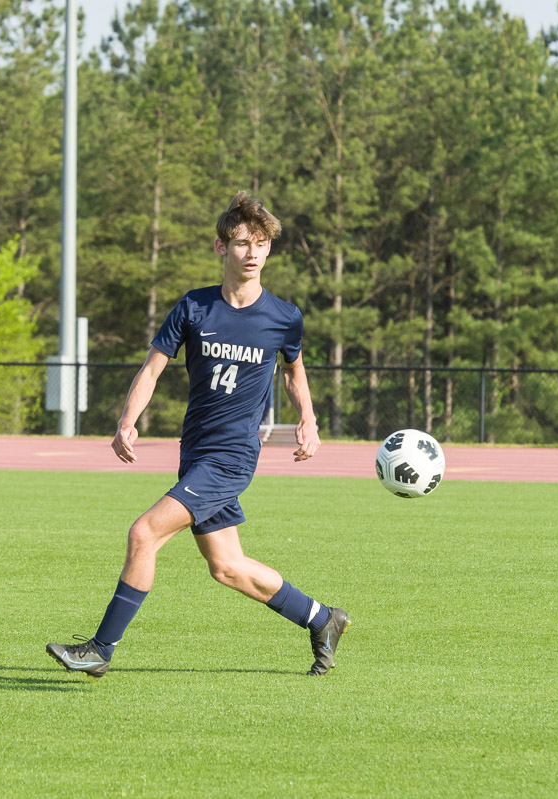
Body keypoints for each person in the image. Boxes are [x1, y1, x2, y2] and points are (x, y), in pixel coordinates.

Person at [47, 191, 349, 680]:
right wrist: (127, 419)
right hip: (196, 454)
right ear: (220, 248)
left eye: (262, 244)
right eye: (242, 243)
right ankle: (323, 618)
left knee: (143, 533)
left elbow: (294, 370)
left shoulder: (283, 316)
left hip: (231, 458)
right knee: (227, 566)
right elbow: (152, 369)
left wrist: (308, 419)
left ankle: (101, 649)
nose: (252, 253)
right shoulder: (194, 307)